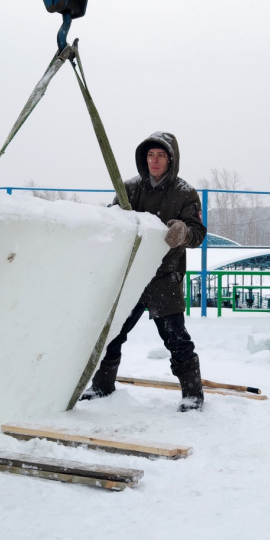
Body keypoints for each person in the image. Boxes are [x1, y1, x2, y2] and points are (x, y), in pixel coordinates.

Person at [80, 132, 207, 411]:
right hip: (132, 277)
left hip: (165, 276)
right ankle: (102, 385)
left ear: (171, 159)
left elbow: (198, 233)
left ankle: (192, 394)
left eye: (161, 155)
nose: (154, 160)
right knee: (113, 332)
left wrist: (184, 231)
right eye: (150, 155)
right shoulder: (129, 189)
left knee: (176, 338)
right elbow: (112, 222)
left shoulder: (185, 193)